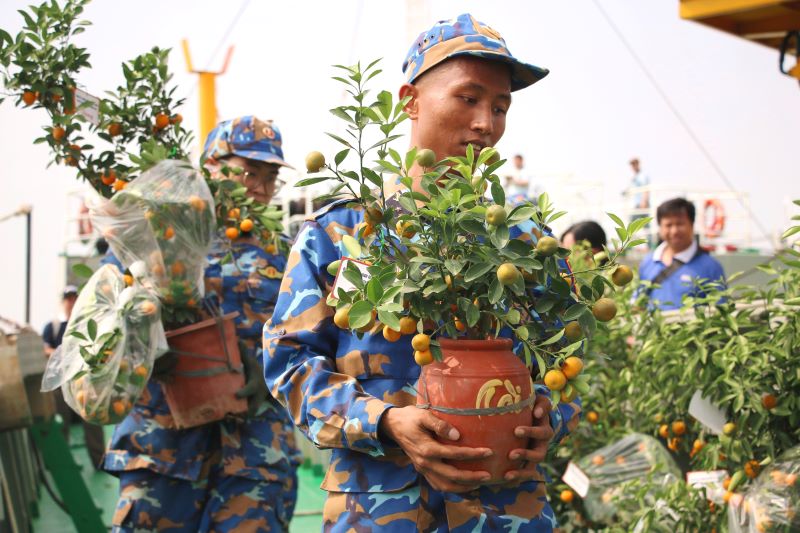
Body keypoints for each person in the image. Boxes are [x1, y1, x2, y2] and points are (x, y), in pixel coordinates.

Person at [264, 14, 579, 532]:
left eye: (500, 107)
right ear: (410, 101)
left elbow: (565, 362)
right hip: (379, 510)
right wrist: (383, 421)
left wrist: (551, 416)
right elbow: (288, 364)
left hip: (504, 509)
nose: (486, 123)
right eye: (468, 98)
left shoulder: (524, 244)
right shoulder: (341, 232)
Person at [103, 116, 300, 532]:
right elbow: (104, 311)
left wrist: (272, 373)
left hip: (254, 450)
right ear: (209, 167)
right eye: (249, 172)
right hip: (162, 442)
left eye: (270, 177)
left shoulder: (287, 252)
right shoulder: (155, 230)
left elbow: (311, 335)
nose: (260, 187)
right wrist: (147, 348)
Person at [42, 285, 106, 468]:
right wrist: (66, 355)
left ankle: (100, 461)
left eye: (74, 298)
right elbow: (46, 349)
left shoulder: (86, 325)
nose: (71, 302)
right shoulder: (53, 327)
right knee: (61, 422)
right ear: (63, 302)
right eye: (68, 299)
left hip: (84, 381)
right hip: (61, 383)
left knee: (92, 420)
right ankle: (64, 463)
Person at [638, 197, 725, 310]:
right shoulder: (648, 262)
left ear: (692, 225)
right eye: (668, 225)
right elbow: (638, 303)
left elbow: (720, 309)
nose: (674, 231)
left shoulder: (711, 267)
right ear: (660, 228)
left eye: (680, 224)